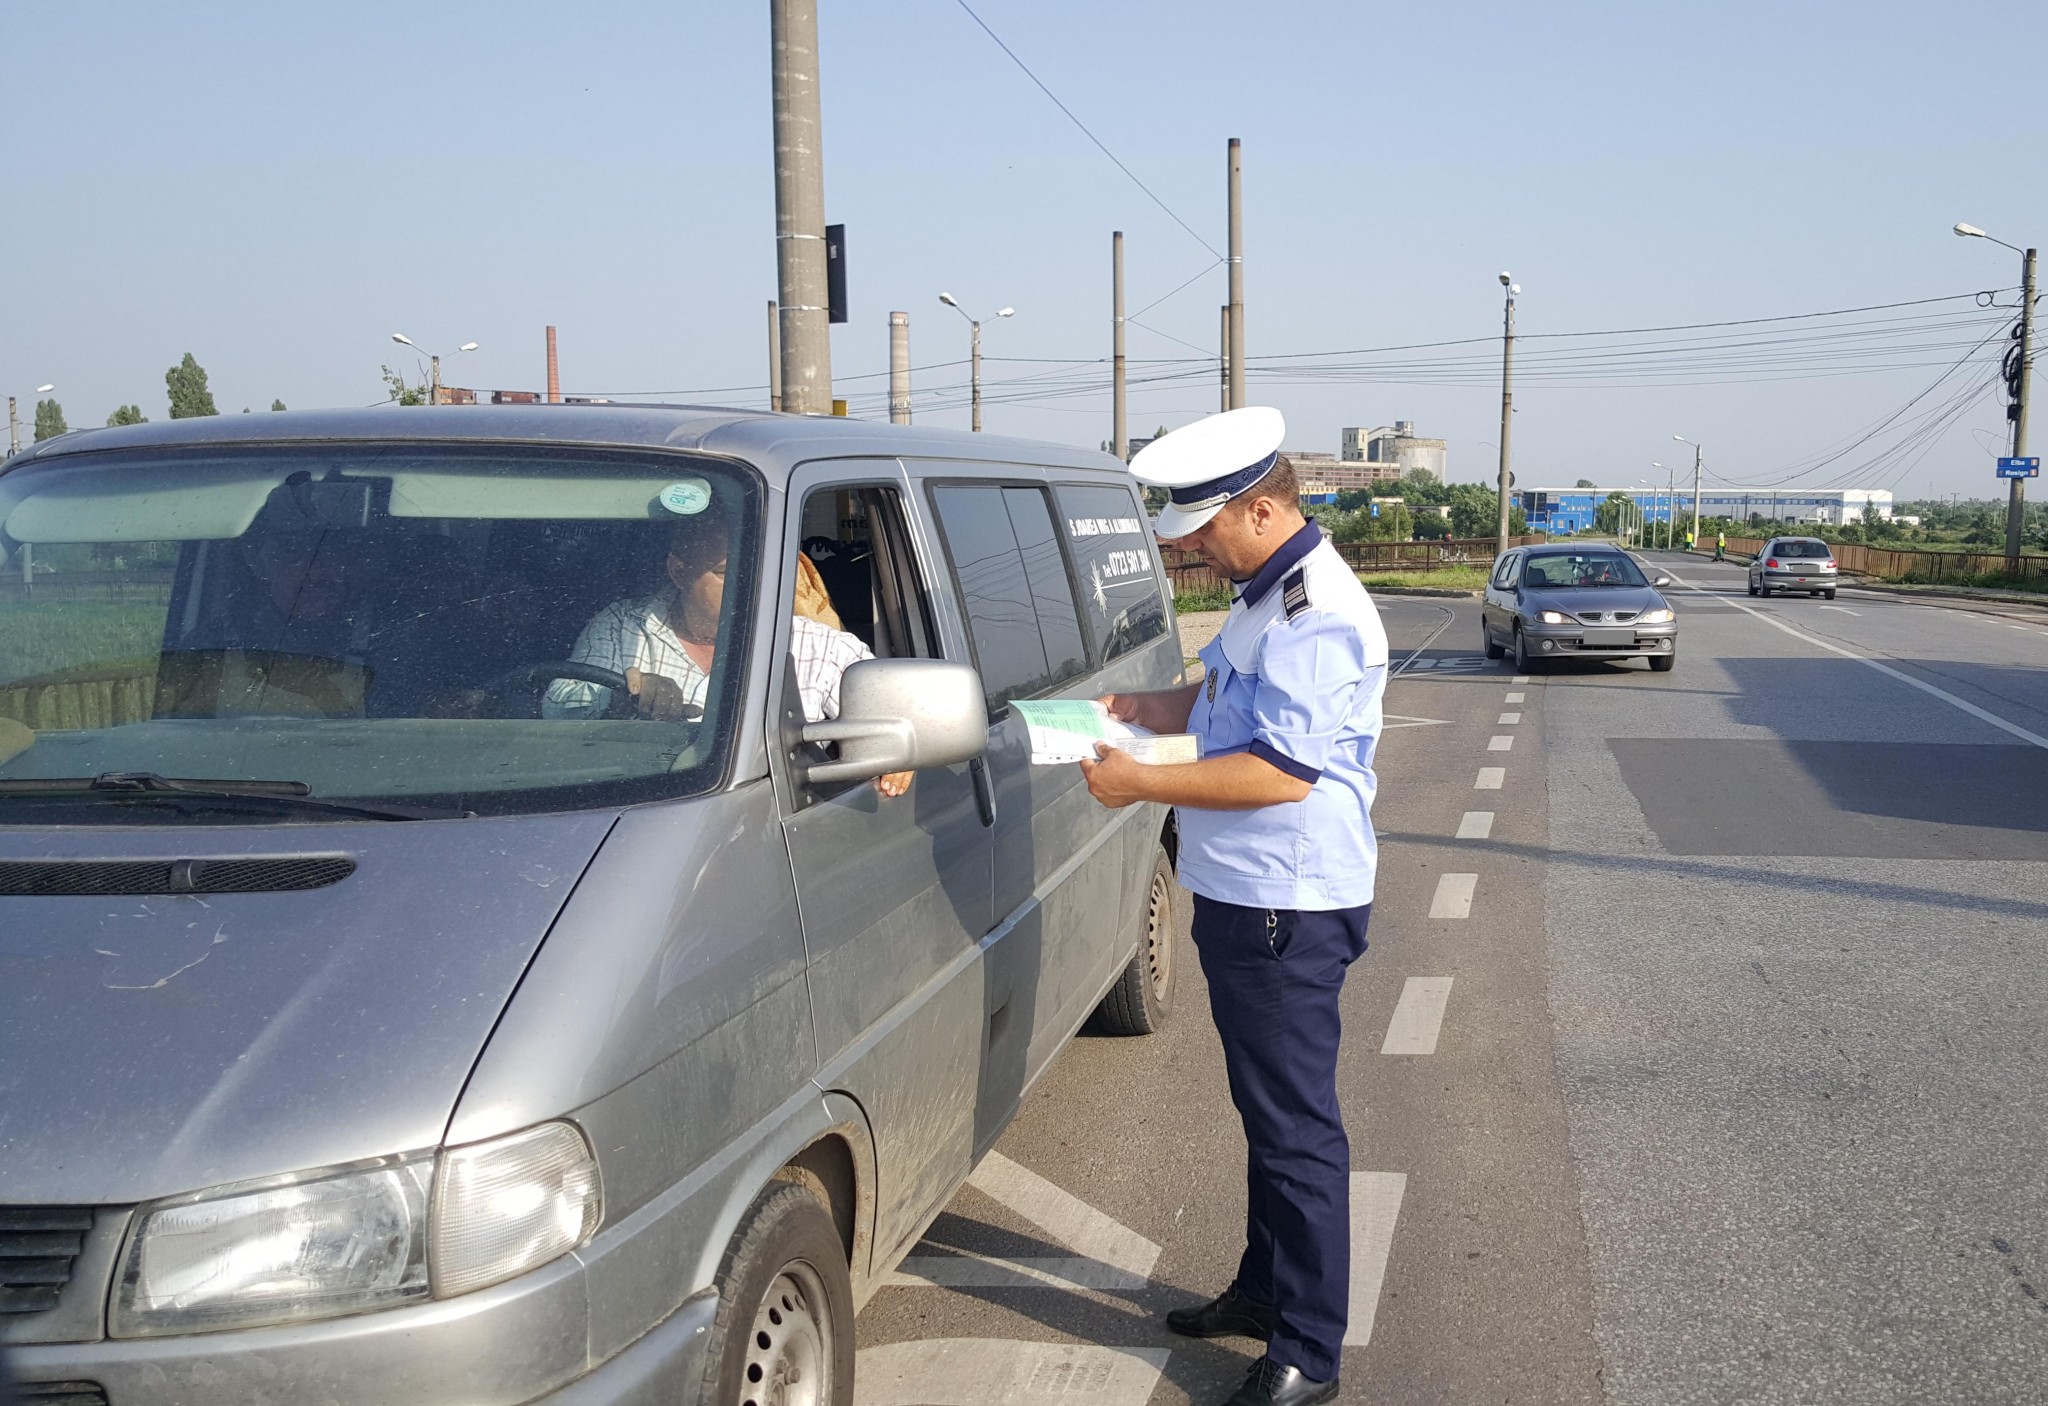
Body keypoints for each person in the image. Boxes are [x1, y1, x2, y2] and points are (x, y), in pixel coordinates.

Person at [1078, 406, 1386, 1406]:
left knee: (1295, 1129)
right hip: (1243, 892)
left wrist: (1138, 782)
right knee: (1266, 1113)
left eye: (1201, 529)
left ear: (1260, 508)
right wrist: (1142, 710)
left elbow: (1279, 771)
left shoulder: (1317, 611)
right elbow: (1218, 710)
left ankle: (1308, 1350)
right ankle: (1265, 1288)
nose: (1190, 549)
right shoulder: (1265, 597)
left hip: (1284, 903)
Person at [545, 514, 910, 796]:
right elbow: (556, 714)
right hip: (630, 806)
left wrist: (900, 752)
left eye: (756, 571)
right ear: (679, 572)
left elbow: (898, 713)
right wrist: (617, 704)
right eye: (724, 572)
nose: (746, 586)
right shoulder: (624, 629)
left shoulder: (815, 645)